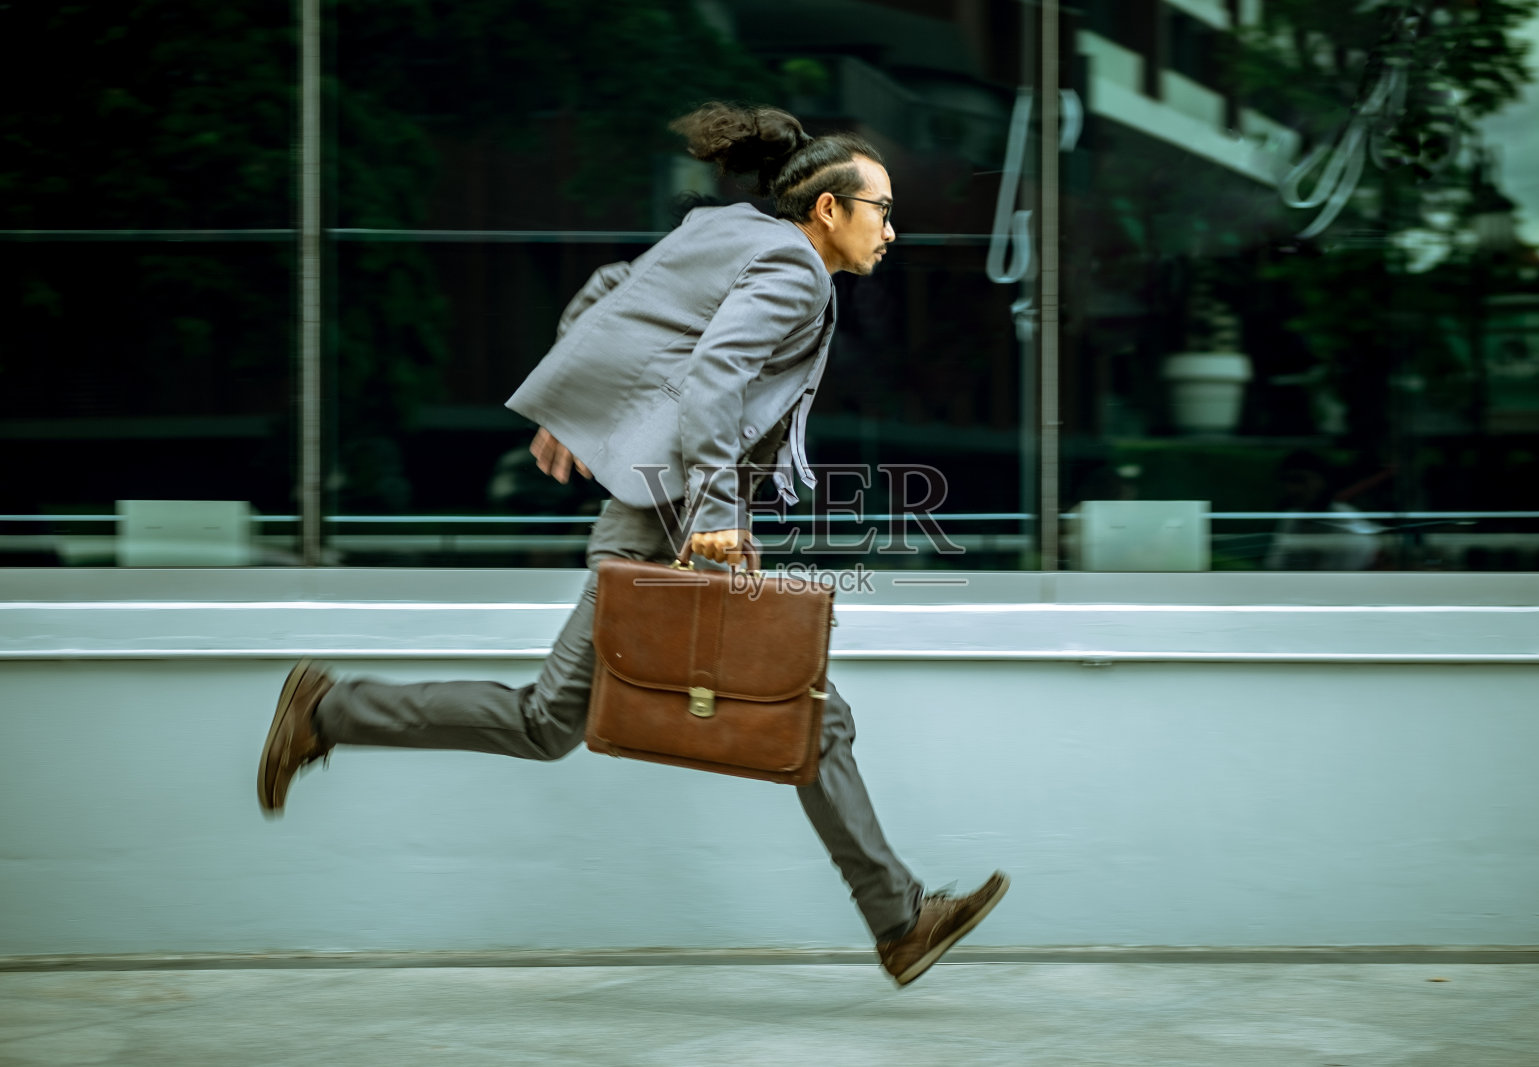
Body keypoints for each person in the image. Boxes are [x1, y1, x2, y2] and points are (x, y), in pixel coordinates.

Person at [257, 103, 1008, 988]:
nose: (891, 229)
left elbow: (614, 286)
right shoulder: (799, 275)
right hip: (672, 522)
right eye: (881, 208)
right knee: (574, 721)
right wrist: (718, 510)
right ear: (829, 211)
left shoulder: (732, 233)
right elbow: (717, 374)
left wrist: (590, 406)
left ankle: (899, 919)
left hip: (670, 512)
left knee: (799, 714)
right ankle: (327, 711)